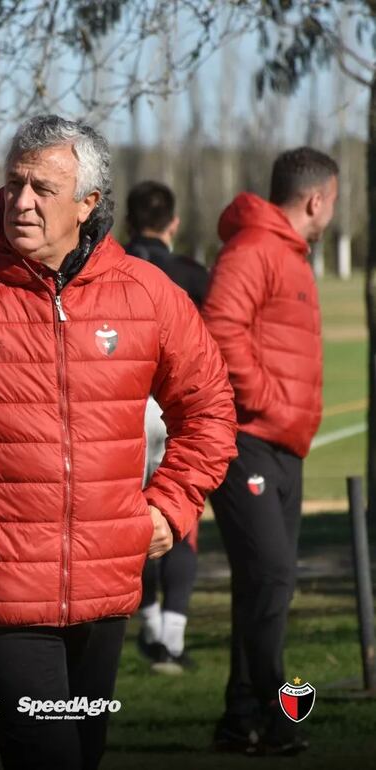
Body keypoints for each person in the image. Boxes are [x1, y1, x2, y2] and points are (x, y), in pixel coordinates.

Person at [0, 115, 237, 770]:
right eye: (14, 184)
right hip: (1, 591)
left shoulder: (146, 294)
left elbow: (209, 408)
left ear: (89, 204)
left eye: (43, 188)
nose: (23, 202)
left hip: (105, 584)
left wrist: (171, 505)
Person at [202, 147, 338, 756]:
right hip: (249, 442)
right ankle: (282, 721)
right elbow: (219, 325)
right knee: (273, 576)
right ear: (318, 200)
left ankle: (240, 720)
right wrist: (267, 400)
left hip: (282, 446)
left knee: (263, 585)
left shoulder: (287, 253)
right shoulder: (255, 248)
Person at [124, 181, 209, 673]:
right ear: (172, 223)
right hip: (171, 408)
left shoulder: (107, 266)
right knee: (177, 522)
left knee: (131, 520)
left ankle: (151, 630)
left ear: (130, 222)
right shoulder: (192, 275)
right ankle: (172, 641)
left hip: (120, 410)